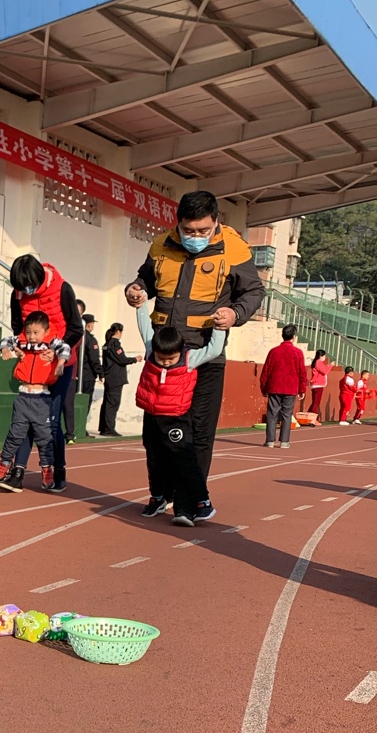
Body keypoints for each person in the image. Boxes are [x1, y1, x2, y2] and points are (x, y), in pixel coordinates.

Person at [125, 189, 264, 521]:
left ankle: (189, 504)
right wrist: (136, 289)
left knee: (198, 433)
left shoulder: (234, 248)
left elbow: (254, 291)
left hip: (204, 357)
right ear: (178, 223)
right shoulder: (160, 245)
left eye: (203, 230)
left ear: (216, 221)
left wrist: (235, 314)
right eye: (189, 230)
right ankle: (161, 493)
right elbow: (146, 279)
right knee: (156, 436)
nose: (195, 236)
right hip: (164, 357)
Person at [136, 303, 226, 527]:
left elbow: (213, 350)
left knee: (185, 461)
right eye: (162, 358)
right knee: (154, 460)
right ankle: (158, 497)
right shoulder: (151, 351)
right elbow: (145, 328)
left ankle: (203, 502)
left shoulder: (189, 359)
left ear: (180, 351)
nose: (166, 362)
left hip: (176, 419)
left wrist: (219, 328)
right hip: (152, 418)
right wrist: (140, 305)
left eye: (171, 358)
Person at [2, 255, 84, 491]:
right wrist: (19, 348)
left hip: (59, 365)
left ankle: (58, 471)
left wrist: (57, 352)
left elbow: (76, 328)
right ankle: (18, 472)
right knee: (25, 420)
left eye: (29, 286)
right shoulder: (18, 294)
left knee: (51, 423)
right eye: (21, 287)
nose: (25, 291)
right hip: (33, 366)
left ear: (38, 278)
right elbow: (18, 327)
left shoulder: (62, 289)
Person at [0, 312, 69, 492]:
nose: (32, 337)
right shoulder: (22, 343)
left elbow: (65, 348)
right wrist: (5, 350)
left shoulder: (51, 344)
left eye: (36, 333)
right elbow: (5, 340)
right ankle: (5, 461)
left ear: (46, 331)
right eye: (29, 332)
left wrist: (60, 362)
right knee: (15, 434)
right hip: (23, 398)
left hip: (41, 399)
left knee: (44, 438)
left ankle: (47, 468)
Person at [259, 324, 308, 448]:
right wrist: (302, 389)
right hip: (290, 388)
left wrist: (264, 388)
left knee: (272, 414)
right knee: (287, 414)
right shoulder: (298, 353)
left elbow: (265, 371)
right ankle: (284, 441)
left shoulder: (273, 351)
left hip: (274, 387)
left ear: (282, 335)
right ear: (294, 337)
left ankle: (270, 440)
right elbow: (302, 372)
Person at [98, 324, 136, 437]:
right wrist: (135, 359)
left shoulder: (106, 344)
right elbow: (122, 359)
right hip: (115, 378)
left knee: (107, 403)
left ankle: (104, 427)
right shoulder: (114, 344)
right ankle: (109, 428)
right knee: (113, 404)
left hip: (109, 376)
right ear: (118, 332)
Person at [71, 313, 103, 441]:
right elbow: (94, 359)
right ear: (89, 325)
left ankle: (72, 427)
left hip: (74, 374)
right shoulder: (90, 339)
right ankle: (80, 428)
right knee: (85, 403)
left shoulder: (75, 336)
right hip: (87, 375)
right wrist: (100, 373)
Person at [309, 350, 330, 418]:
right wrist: (330, 366)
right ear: (321, 356)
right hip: (318, 385)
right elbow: (324, 371)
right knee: (316, 403)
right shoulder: (319, 362)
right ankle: (312, 418)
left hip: (316, 385)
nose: (325, 357)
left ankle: (309, 416)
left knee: (314, 402)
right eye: (324, 356)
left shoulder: (316, 362)